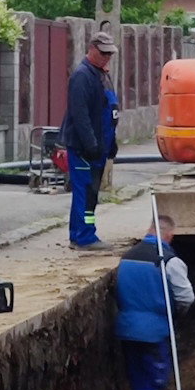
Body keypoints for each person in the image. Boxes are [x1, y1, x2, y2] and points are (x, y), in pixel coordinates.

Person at [115, 211, 194, 390]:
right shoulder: (169, 260)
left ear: (149, 230)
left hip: (127, 328)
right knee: (155, 379)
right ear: (169, 235)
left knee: (138, 377)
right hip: (154, 331)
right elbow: (185, 297)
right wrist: (176, 315)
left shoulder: (127, 257)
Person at [63, 30, 118, 248]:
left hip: (100, 147)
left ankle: (84, 234)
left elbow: (108, 111)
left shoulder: (101, 75)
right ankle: (82, 237)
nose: (107, 58)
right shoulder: (82, 76)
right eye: (103, 53)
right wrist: (91, 145)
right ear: (92, 50)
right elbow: (80, 115)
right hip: (84, 149)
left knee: (91, 193)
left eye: (109, 54)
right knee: (84, 192)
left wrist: (110, 144)